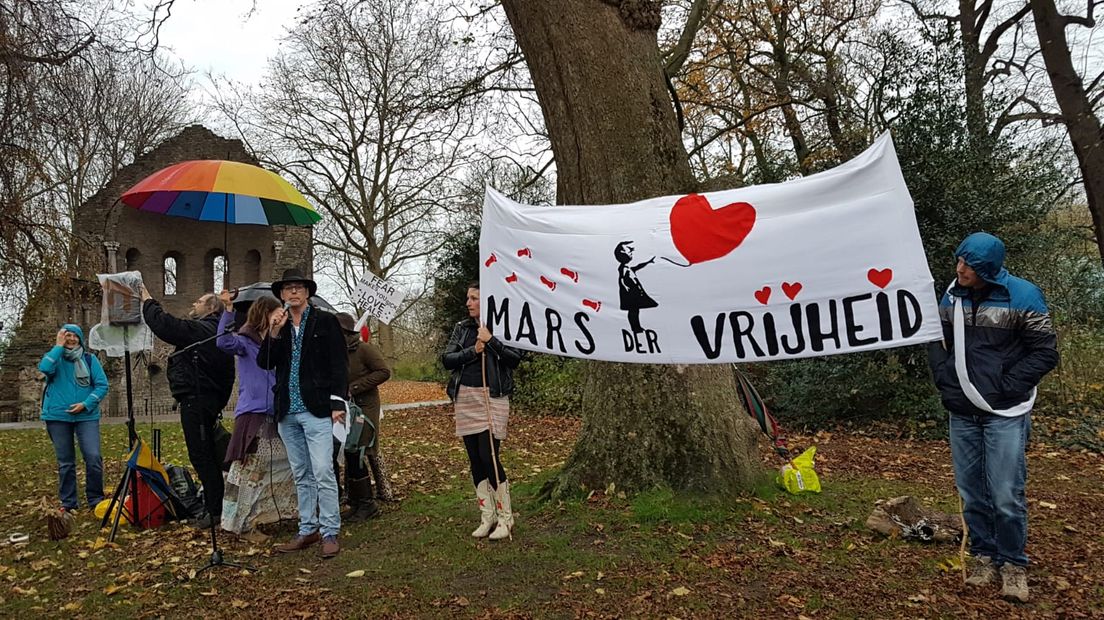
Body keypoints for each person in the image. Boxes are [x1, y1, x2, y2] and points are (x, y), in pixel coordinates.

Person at [928, 232, 1059, 604]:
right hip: (962, 410)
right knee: (971, 493)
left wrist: (1006, 386)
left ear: (987, 267)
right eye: (959, 261)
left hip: (1004, 411)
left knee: (1005, 493)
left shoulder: (1023, 296)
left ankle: (1013, 564)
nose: (960, 269)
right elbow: (937, 340)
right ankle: (983, 556)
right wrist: (946, 381)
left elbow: (1045, 352)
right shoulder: (952, 294)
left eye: (968, 264)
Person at [259, 269, 348, 558]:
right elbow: (265, 363)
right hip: (288, 410)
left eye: (298, 288)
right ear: (282, 295)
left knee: (323, 470)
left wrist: (337, 403)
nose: (293, 293)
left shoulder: (325, 320)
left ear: (307, 293)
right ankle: (308, 528)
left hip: (318, 408)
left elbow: (339, 364)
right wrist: (272, 332)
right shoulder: (280, 326)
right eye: (288, 289)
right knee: (301, 473)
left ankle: (330, 530)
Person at [141, 289, 235, 529]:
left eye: (200, 301)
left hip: (198, 399)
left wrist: (147, 300)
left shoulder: (205, 330)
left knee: (201, 455)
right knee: (206, 454)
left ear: (212, 308)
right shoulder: (215, 330)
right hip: (204, 398)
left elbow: (166, 326)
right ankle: (215, 505)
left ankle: (214, 510)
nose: (194, 302)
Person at [441, 282, 522, 541]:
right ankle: (487, 516)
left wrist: (491, 341)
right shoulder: (462, 329)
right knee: (475, 459)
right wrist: (473, 351)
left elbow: (515, 359)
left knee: (489, 457)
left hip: (492, 397)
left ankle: (505, 517)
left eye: (474, 298)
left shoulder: (504, 326)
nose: (468, 302)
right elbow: (447, 359)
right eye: (468, 298)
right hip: (465, 397)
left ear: (486, 302)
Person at [216, 292, 296, 540]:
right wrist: (228, 309)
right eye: (277, 313)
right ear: (265, 314)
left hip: (278, 411)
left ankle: (277, 513)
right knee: (251, 469)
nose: (282, 317)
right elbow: (223, 343)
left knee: (286, 465)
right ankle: (239, 524)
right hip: (254, 414)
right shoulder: (245, 340)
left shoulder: (279, 342)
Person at [39, 324, 109, 514]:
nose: (71, 339)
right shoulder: (55, 358)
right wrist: (58, 346)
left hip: (86, 415)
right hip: (57, 416)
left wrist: (85, 404)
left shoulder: (89, 359)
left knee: (93, 457)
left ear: (80, 339)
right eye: (67, 335)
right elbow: (44, 368)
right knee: (66, 462)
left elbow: (102, 385)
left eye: (74, 336)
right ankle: (69, 502)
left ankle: (95, 498)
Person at [333, 312, 391, 520]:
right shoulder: (334, 351)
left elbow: (384, 371)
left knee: (358, 452)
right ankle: (357, 502)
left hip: (364, 409)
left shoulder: (364, 349)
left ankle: (368, 504)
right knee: (349, 453)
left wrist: (354, 388)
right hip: (343, 408)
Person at [614, 240, 657, 334]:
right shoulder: (623, 268)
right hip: (630, 293)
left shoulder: (628, 267)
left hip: (634, 292)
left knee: (635, 310)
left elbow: (638, 266)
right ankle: (635, 327)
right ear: (622, 254)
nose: (631, 251)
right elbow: (622, 279)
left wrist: (648, 262)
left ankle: (636, 327)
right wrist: (626, 287)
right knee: (633, 311)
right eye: (629, 250)